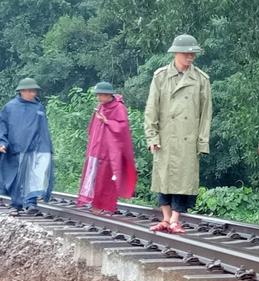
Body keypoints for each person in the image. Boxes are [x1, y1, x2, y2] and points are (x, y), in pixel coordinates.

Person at [144, 34, 212, 234]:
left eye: (193, 53)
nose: (190, 57)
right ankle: (165, 218)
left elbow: (206, 113)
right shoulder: (161, 76)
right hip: (165, 136)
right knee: (162, 177)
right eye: (186, 53)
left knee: (184, 179)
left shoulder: (201, 78)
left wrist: (202, 141)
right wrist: (152, 136)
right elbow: (151, 108)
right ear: (175, 53)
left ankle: (175, 219)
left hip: (188, 137)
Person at [76, 82, 137, 216]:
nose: (98, 97)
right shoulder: (100, 107)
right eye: (98, 95)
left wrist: (108, 121)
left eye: (101, 95)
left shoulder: (119, 108)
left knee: (108, 179)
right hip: (97, 150)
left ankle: (108, 207)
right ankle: (95, 205)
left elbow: (122, 128)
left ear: (109, 95)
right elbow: (94, 129)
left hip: (110, 152)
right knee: (95, 178)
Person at [0, 78, 54, 216]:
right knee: (17, 177)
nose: (33, 93)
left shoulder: (39, 108)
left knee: (33, 174)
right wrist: (2, 142)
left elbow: (43, 129)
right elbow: (3, 126)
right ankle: (16, 205)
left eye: (34, 91)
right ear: (22, 91)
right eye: (30, 91)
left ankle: (31, 204)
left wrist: (45, 147)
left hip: (35, 147)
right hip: (16, 148)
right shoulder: (10, 107)